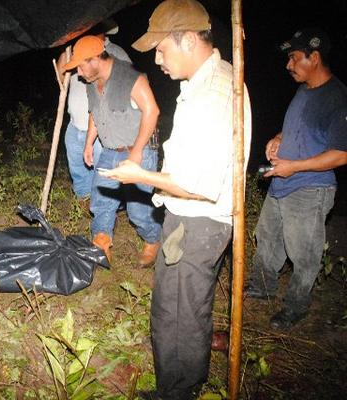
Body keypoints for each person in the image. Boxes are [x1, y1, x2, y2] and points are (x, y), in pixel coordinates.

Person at [102, 0, 251, 398]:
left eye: (161, 49)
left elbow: (200, 184)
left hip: (200, 221)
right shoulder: (201, 85)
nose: (158, 60)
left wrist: (141, 176)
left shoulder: (215, 92)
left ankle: (180, 392)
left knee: (184, 314)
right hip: (185, 217)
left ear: (186, 39)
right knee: (173, 308)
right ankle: (177, 386)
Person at [245, 28, 347, 330]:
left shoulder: (337, 98)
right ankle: (263, 286)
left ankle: (297, 306)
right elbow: (296, 129)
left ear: (314, 58)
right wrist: (277, 139)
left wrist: (296, 166)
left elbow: (341, 154)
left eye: (294, 57)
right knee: (268, 238)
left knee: (304, 252)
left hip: (310, 188)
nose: (289, 65)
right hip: (282, 181)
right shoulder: (304, 90)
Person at [62, 35, 161, 267]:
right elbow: (94, 114)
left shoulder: (130, 76)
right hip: (109, 149)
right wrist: (88, 143)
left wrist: (136, 152)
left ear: (95, 59)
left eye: (80, 66)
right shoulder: (91, 83)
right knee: (101, 199)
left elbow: (152, 111)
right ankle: (102, 240)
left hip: (140, 150)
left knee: (138, 210)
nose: (78, 73)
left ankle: (153, 239)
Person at [56, 21, 131, 200]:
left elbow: (129, 88)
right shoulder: (75, 51)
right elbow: (60, 80)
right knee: (79, 175)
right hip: (75, 126)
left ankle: (105, 213)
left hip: (103, 130)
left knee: (104, 178)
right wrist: (65, 55)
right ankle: (83, 204)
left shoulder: (115, 53)